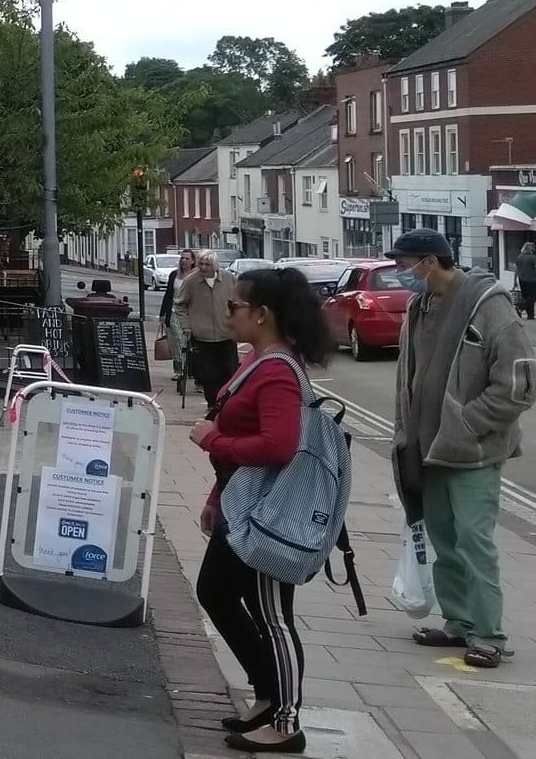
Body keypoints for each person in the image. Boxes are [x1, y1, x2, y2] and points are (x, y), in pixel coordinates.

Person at [188, 266, 336, 754]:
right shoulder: (258, 361)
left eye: (234, 307)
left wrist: (216, 439)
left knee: (273, 615)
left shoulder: (276, 371)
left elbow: (278, 446)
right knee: (215, 591)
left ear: (261, 314)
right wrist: (215, 497)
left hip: (270, 514)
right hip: (241, 502)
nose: (228, 314)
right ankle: (268, 695)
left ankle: (287, 720)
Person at [388, 228, 536, 669]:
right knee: (444, 539)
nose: (401, 272)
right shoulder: (420, 306)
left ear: (429, 262)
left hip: (472, 451)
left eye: (404, 263)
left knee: (474, 541)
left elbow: (521, 383)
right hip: (428, 449)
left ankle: (489, 634)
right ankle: (458, 622)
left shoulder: (488, 305)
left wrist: (469, 423)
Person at [177, 252, 240, 407]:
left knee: (229, 372)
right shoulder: (191, 281)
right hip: (202, 336)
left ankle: (227, 403)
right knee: (209, 374)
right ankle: (213, 405)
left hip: (226, 334)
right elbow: (180, 305)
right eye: (201, 264)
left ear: (215, 266)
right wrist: (186, 326)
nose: (203, 268)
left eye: (207, 264)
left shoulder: (229, 279)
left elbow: (238, 302)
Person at [163, 250, 200, 381]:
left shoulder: (196, 276)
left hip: (189, 314)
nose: (183, 261)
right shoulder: (174, 275)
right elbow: (168, 295)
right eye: (182, 258)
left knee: (188, 343)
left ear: (193, 261)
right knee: (177, 342)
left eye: (187, 258)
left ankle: (190, 370)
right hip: (173, 312)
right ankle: (179, 370)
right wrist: (163, 314)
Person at [513, 242, 536, 320]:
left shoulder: (519, 257)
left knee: (526, 297)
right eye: (533, 247)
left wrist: (515, 281)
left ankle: (531, 315)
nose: (534, 249)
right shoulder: (533, 257)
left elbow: (516, 270)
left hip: (521, 280)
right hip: (531, 280)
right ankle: (519, 307)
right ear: (530, 248)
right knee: (533, 297)